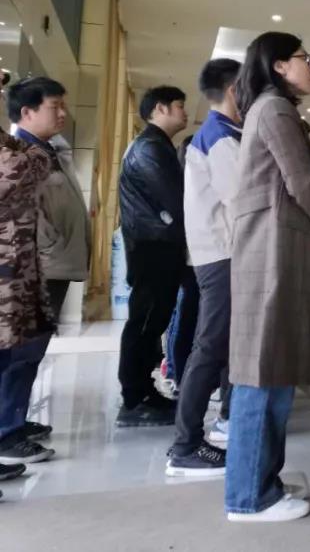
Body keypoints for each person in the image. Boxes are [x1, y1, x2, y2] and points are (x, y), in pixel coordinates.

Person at [226, 32, 310, 522]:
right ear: (277, 65)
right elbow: (302, 181)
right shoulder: (274, 109)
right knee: (261, 372)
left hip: (277, 243)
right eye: (304, 58)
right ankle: (248, 497)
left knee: (273, 369)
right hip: (270, 247)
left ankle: (263, 484)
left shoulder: (272, 109)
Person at [166, 58, 242, 477]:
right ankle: (185, 445)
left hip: (219, 254)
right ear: (234, 90)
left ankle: (214, 426)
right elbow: (243, 202)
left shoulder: (220, 133)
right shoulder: (220, 138)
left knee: (219, 345)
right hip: (222, 255)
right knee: (210, 346)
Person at [116, 85, 190, 428]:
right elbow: (176, 200)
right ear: (160, 109)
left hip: (157, 244)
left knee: (152, 320)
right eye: (179, 106)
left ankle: (142, 390)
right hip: (152, 246)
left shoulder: (157, 145)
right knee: (145, 321)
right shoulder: (149, 148)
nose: (184, 112)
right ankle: (134, 398)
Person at [10, 78, 90, 329]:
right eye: (55, 106)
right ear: (27, 112)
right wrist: (48, 244)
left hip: (54, 263)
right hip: (36, 267)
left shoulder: (52, 151)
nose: (63, 113)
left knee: (37, 341)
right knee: (26, 344)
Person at [0, 129, 56, 468]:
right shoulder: (19, 159)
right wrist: (34, 152)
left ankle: (9, 427)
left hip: (17, 272)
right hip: (7, 275)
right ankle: (6, 432)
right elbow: (27, 165)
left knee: (13, 354)